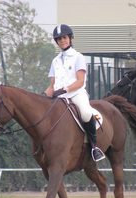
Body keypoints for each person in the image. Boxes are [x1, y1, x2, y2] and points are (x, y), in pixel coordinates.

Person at [44, 24, 105, 162]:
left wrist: (65, 89)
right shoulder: (55, 61)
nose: (62, 41)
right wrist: (43, 95)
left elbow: (80, 81)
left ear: (70, 38)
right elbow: (52, 85)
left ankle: (94, 147)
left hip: (76, 94)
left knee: (85, 113)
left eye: (64, 37)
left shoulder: (78, 57)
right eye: (59, 39)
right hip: (59, 97)